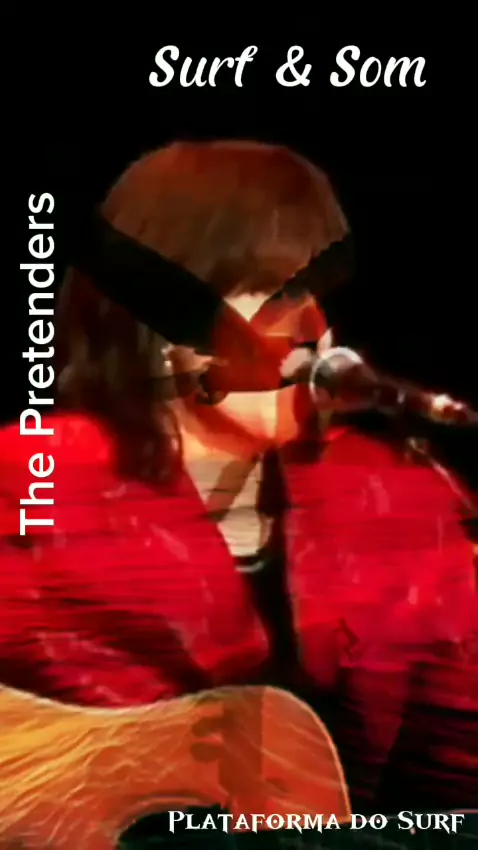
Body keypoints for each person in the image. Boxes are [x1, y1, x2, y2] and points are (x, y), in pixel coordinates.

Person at [0, 141, 476, 811]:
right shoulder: (31, 484)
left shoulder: (393, 496)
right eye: (273, 292)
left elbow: (456, 769)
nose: (311, 329)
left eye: (317, 293)